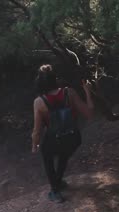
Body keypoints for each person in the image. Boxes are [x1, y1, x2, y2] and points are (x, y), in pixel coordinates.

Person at [32, 64, 94, 203]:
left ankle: (55, 191)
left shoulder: (39, 102)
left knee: (47, 156)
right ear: (55, 79)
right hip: (74, 138)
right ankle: (58, 182)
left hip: (54, 140)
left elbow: (37, 130)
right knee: (64, 154)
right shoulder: (70, 93)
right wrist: (88, 92)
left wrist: (34, 144)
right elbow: (89, 114)